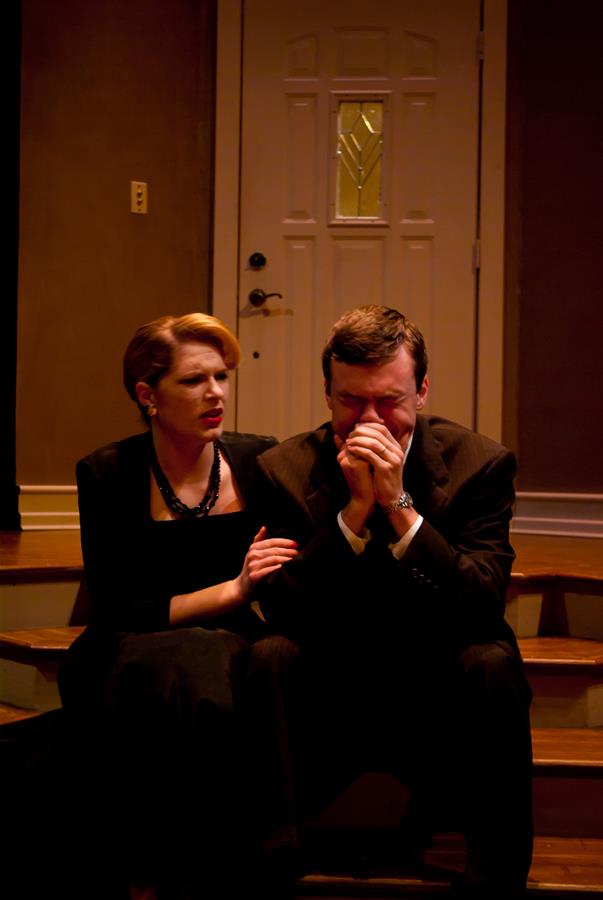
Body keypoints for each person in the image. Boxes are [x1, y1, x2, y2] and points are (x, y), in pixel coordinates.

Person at [247, 306, 533, 899]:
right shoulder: (282, 471)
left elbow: (481, 602)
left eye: (390, 401)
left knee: (494, 662)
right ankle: (274, 853)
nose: (369, 421)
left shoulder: (481, 464)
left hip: (434, 683)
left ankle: (496, 870)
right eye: (351, 402)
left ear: (422, 390)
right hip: (334, 682)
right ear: (327, 394)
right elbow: (286, 609)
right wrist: (352, 514)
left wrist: (398, 503)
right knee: (268, 653)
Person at [57, 312, 298, 900]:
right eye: (193, 381)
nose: (215, 394)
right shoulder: (108, 471)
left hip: (227, 642)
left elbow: (291, 562)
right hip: (131, 641)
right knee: (192, 661)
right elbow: (119, 606)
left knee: (223, 660)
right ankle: (198, 861)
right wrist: (232, 591)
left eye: (221, 377)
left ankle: (195, 862)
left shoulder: (259, 461)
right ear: (148, 395)